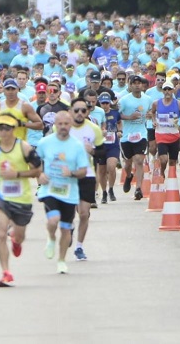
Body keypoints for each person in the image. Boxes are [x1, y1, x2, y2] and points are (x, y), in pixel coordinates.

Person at [0, 112, 42, 287]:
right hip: (1, 196)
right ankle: (6, 273)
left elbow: (37, 171)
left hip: (21, 198)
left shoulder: (24, 148)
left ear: (14, 129)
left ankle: (16, 240)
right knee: (1, 233)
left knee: (20, 235)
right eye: (0, 127)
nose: (4, 131)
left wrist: (16, 174)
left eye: (7, 127)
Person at [36, 111, 89, 274]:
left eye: (66, 124)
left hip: (69, 192)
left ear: (71, 124)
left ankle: (61, 260)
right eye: (60, 124)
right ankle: (51, 238)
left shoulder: (77, 146)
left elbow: (83, 170)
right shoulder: (45, 142)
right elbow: (35, 162)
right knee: (53, 221)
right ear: (55, 125)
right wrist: (39, 174)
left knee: (66, 229)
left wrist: (72, 173)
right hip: (50, 189)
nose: (63, 127)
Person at [67, 97, 104, 261]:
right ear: (70, 111)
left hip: (87, 175)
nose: (80, 113)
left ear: (88, 112)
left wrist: (93, 151)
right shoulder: (63, 127)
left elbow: (103, 153)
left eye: (84, 110)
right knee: (68, 213)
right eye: (77, 110)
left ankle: (79, 247)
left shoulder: (94, 129)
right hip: (67, 175)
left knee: (84, 213)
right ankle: (69, 227)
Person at [119, 76, 153, 200]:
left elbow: (151, 112)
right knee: (127, 163)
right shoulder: (124, 100)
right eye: (134, 83)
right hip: (127, 136)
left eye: (139, 83)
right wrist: (129, 117)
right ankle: (128, 176)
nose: (137, 85)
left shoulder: (147, 99)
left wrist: (150, 115)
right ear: (130, 85)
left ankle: (138, 189)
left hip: (141, 134)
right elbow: (117, 114)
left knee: (139, 160)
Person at [152, 81, 180, 178]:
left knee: (172, 161)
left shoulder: (179, 104)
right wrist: (154, 121)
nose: (167, 91)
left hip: (174, 136)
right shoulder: (156, 103)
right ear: (162, 91)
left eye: (169, 89)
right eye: (165, 89)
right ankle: (162, 172)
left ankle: (172, 180)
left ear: (173, 90)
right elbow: (152, 113)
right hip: (161, 135)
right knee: (163, 159)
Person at [96, 92, 121, 204]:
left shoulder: (115, 113)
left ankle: (111, 189)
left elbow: (119, 122)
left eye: (107, 103)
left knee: (111, 167)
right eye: (103, 103)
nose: (105, 105)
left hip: (113, 145)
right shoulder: (96, 113)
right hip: (101, 145)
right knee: (101, 171)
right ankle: (104, 192)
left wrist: (120, 131)